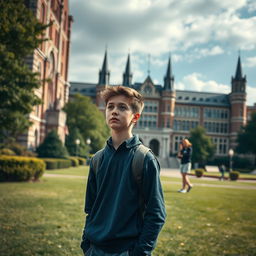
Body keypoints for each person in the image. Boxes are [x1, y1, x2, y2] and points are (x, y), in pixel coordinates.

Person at [81, 85, 166, 256]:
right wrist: (87, 244)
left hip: (125, 251)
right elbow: (91, 208)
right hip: (94, 249)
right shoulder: (97, 159)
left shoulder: (144, 159)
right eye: (110, 106)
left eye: (122, 107)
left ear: (135, 117)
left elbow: (156, 214)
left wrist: (139, 253)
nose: (114, 111)